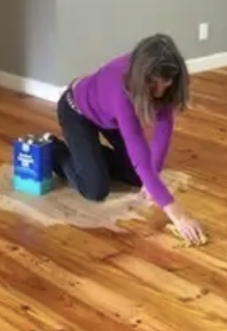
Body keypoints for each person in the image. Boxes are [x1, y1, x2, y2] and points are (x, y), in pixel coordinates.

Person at [52, 34, 207, 245]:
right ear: (143, 78)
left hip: (108, 117)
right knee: (95, 189)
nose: (160, 92)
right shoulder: (121, 89)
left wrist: (154, 174)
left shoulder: (161, 77)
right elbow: (140, 154)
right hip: (76, 110)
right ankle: (55, 149)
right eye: (154, 85)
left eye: (167, 84)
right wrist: (180, 216)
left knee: (140, 178)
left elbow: (164, 129)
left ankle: (89, 155)